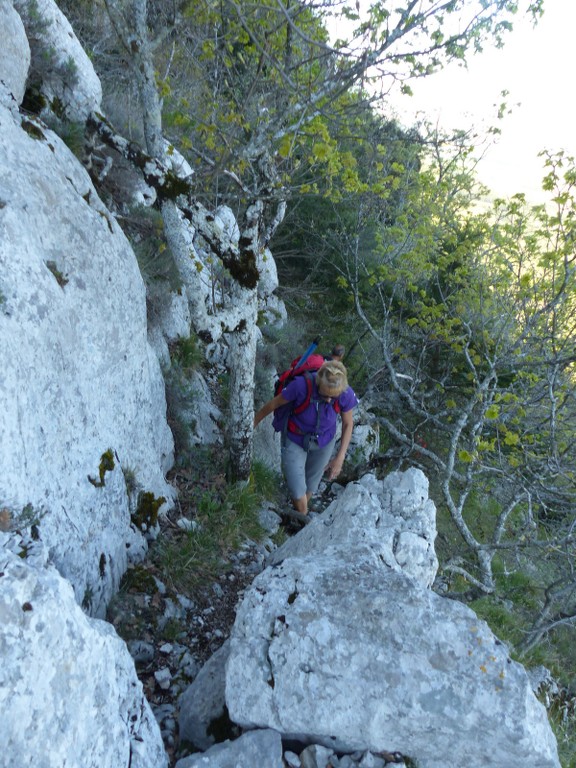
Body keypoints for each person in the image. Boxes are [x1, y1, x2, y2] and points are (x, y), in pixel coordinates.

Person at [254, 361, 358, 516]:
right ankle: (303, 518)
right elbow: (273, 404)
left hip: (324, 441)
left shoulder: (345, 393)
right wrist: (252, 425)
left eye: (333, 397)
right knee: (298, 490)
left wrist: (340, 457)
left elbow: (348, 424)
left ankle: (299, 513)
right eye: (325, 395)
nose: (329, 400)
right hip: (295, 438)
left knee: (311, 485)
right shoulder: (301, 386)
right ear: (318, 384)